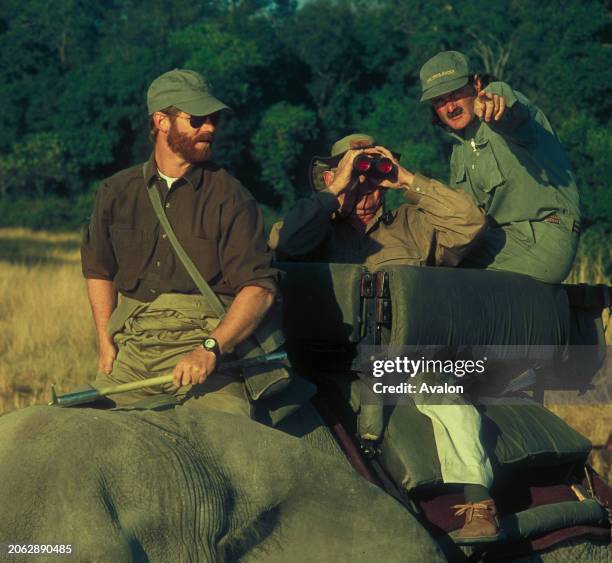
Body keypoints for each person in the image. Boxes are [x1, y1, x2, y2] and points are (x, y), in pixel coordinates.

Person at [269, 133, 500, 543]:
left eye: (372, 180)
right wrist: (334, 193)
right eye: (354, 177)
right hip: (328, 359)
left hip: (402, 360)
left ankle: (479, 503)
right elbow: (283, 244)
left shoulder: (412, 226)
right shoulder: (315, 229)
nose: (364, 190)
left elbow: (470, 222)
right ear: (331, 178)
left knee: (455, 408)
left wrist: (407, 179)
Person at [81, 69, 285, 417]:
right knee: (78, 434)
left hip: (207, 360)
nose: (210, 128)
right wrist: (105, 340)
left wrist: (210, 348)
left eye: (214, 119)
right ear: (161, 121)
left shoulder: (232, 197)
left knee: (231, 447)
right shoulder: (116, 191)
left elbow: (259, 290)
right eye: (197, 119)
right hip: (133, 356)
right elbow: (99, 269)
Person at [419, 50, 581, 283]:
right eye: (439, 101)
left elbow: (510, 108)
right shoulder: (459, 152)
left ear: (476, 84)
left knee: (446, 281)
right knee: (425, 259)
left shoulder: (503, 114)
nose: (449, 106)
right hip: (499, 242)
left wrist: (497, 99)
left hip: (544, 236)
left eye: (455, 93)